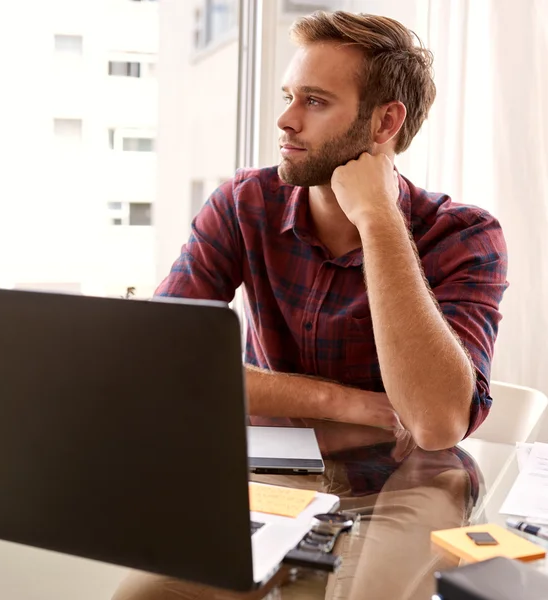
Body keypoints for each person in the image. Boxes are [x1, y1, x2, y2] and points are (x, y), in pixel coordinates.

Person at [112, 10, 508, 600]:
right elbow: (161, 361)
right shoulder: (245, 204)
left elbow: (435, 421)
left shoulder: (464, 235)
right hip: (268, 472)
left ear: (385, 123)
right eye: (289, 96)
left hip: (408, 481)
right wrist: (344, 402)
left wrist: (378, 221)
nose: (285, 120)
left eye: (315, 102)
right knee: (146, 597)